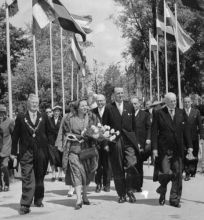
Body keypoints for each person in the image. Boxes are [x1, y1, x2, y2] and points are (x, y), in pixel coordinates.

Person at [151, 92, 192, 208]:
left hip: (178, 149)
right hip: (164, 149)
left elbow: (186, 131)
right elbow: (154, 131)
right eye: (171, 101)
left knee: (178, 174)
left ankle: (174, 199)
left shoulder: (181, 112)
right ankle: (162, 190)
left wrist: (190, 146)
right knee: (165, 173)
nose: (174, 103)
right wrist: (154, 148)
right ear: (166, 102)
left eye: (175, 101)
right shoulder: (159, 113)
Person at [11, 94, 49, 215]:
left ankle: (38, 199)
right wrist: (13, 153)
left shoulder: (43, 116)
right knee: (27, 177)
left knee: (39, 177)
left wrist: (50, 148)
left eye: (37, 102)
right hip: (26, 152)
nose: (35, 104)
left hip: (41, 151)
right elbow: (15, 136)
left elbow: (49, 133)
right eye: (33, 102)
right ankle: (25, 204)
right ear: (28, 103)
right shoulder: (21, 117)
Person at [103, 87, 139, 203]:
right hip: (115, 140)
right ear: (114, 95)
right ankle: (122, 194)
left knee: (131, 164)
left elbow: (134, 126)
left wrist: (136, 141)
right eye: (118, 93)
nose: (120, 95)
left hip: (129, 140)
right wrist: (106, 143)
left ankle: (129, 190)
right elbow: (104, 127)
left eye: (122, 93)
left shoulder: (129, 106)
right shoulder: (109, 107)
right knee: (117, 167)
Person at [61, 99, 99, 210]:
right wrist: (76, 136)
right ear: (77, 107)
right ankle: (78, 199)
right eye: (82, 105)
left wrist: (94, 134)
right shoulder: (70, 118)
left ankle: (85, 195)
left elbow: (97, 130)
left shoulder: (92, 117)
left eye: (86, 105)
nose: (85, 107)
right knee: (76, 173)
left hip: (87, 150)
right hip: (74, 149)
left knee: (87, 174)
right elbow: (66, 132)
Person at [92, 94, 111, 193]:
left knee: (107, 164)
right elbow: (90, 126)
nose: (100, 102)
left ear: (105, 101)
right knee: (97, 164)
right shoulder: (93, 112)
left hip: (107, 142)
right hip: (96, 142)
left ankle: (107, 184)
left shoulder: (110, 110)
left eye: (101, 101)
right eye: (98, 101)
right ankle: (98, 184)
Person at [131, 97, 151, 192]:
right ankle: (132, 184)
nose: (134, 105)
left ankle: (138, 185)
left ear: (139, 104)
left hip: (141, 143)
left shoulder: (145, 114)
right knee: (131, 164)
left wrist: (148, 139)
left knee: (138, 164)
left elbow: (149, 128)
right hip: (130, 143)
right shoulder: (128, 114)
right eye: (132, 104)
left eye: (135, 104)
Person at [183, 96, 204, 180]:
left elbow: (200, 126)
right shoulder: (181, 112)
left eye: (188, 102)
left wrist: (202, 137)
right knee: (185, 155)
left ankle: (193, 170)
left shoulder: (196, 112)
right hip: (184, 138)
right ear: (183, 103)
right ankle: (187, 172)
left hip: (194, 137)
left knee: (195, 154)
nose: (187, 103)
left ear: (191, 102)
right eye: (185, 102)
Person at [0, 105, 15, 192]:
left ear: (5, 113)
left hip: (6, 148)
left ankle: (6, 184)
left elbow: (14, 135)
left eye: (2, 113)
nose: (1, 115)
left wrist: (14, 150)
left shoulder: (10, 121)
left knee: (4, 166)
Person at [47, 105, 63, 181]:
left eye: (58, 111)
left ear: (60, 112)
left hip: (59, 142)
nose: (56, 112)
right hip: (51, 142)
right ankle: (53, 175)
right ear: (53, 112)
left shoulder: (62, 119)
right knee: (52, 159)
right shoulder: (49, 120)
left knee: (59, 158)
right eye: (55, 111)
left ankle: (60, 175)